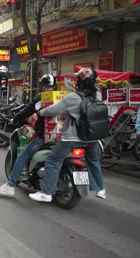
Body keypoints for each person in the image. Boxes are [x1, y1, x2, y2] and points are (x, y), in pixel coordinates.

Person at [29, 67, 106, 202]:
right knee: (93, 160)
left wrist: (40, 113)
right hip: (93, 137)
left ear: (79, 82)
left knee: (53, 160)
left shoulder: (73, 97)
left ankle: (47, 193)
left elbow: (54, 110)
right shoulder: (98, 95)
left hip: (73, 138)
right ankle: (100, 189)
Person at [0, 74, 56, 197]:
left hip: (44, 137)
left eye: (46, 87)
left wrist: (14, 119)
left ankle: (10, 186)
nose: (47, 89)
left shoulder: (41, 99)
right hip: (60, 138)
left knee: (22, 157)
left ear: (42, 86)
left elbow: (28, 110)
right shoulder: (61, 98)